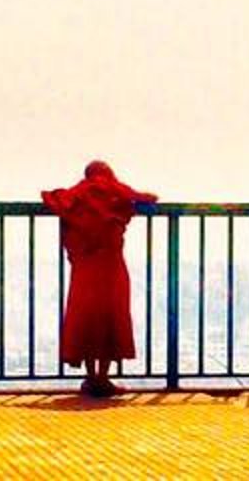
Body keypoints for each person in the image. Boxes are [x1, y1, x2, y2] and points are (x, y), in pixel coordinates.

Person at [42, 161, 157, 398]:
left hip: (85, 268)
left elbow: (53, 198)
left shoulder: (77, 193)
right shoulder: (116, 190)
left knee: (85, 318)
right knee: (110, 317)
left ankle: (91, 377)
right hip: (111, 265)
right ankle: (103, 378)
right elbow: (149, 198)